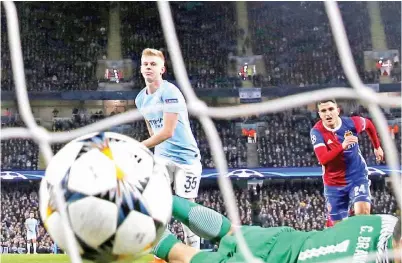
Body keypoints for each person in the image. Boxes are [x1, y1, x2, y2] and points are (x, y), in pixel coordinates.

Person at [152, 196, 401, 263]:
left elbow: (346, 226)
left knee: (229, 232)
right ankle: (125, 219)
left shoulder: (384, 221)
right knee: (183, 255)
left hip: (281, 240)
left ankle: (159, 194)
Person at [135, 48, 202, 261]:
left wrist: (138, 146)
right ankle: (163, 255)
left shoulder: (170, 92)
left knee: (187, 215)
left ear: (162, 69)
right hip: (162, 158)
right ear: (141, 68)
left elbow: (167, 131)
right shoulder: (140, 99)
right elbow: (153, 132)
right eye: (145, 64)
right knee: (157, 208)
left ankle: (194, 256)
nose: (148, 67)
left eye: (153, 64)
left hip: (186, 160)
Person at [310, 99, 384, 224]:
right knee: (338, 228)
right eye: (323, 111)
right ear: (319, 114)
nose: (328, 114)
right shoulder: (317, 132)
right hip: (334, 184)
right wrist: (342, 146)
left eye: (331, 109)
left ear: (337, 111)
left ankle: (361, 242)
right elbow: (323, 159)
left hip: (357, 176)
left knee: (363, 213)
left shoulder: (351, 123)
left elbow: (369, 124)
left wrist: (377, 146)